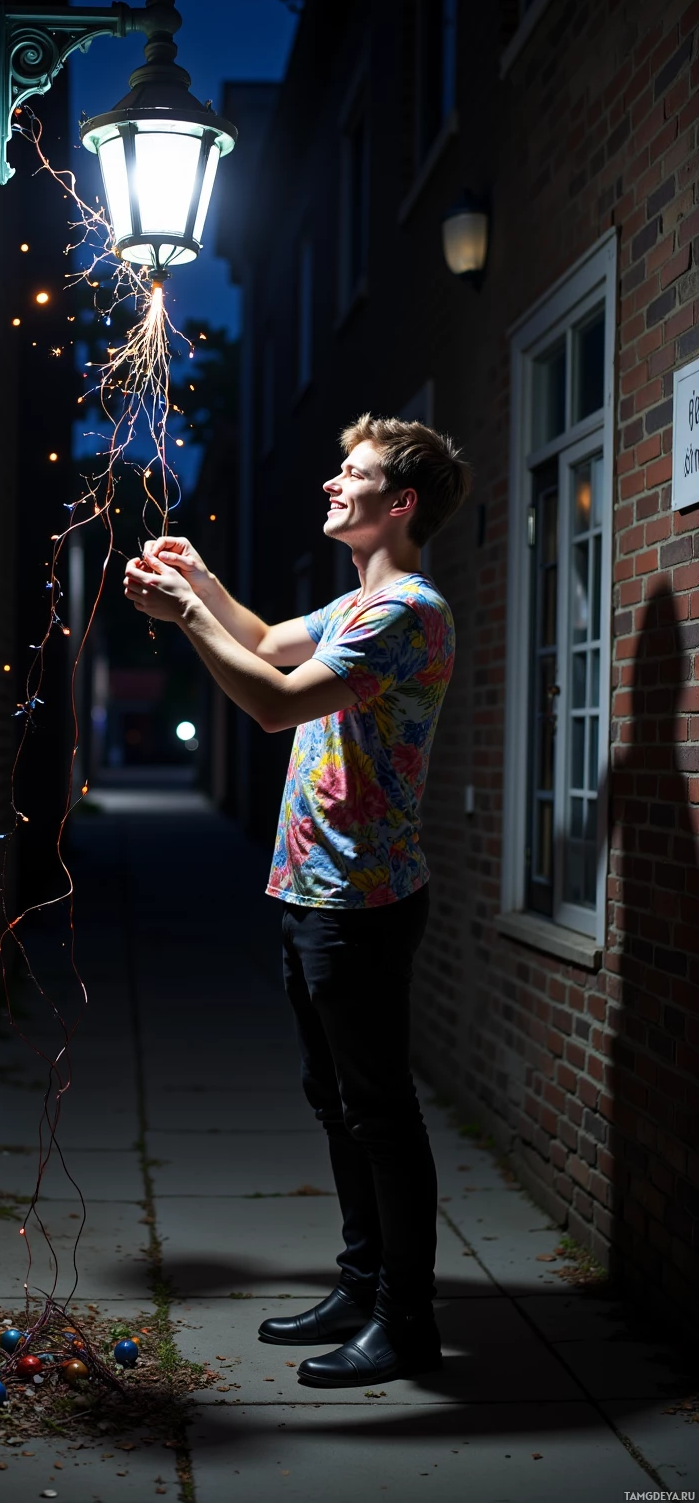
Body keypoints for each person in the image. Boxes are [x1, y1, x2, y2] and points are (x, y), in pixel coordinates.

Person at [123, 413, 472, 1388]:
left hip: (360, 902)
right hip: (315, 893)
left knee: (379, 1112)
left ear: (397, 504)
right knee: (340, 1106)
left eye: (349, 473)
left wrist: (183, 618)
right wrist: (201, 583)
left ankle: (406, 1322)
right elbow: (271, 642)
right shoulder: (357, 605)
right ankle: (362, 1288)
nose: (331, 483)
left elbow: (273, 702)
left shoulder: (407, 611)